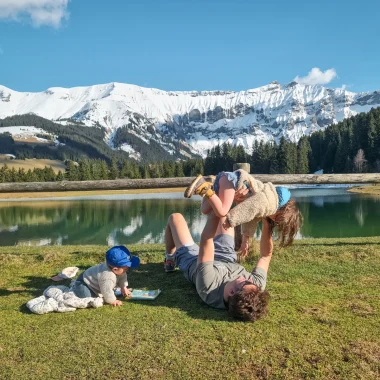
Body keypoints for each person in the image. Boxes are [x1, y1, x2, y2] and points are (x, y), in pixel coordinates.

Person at [164, 205, 273, 322]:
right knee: (225, 213)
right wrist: (267, 222)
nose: (250, 279)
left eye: (246, 282)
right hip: (226, 257)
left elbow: (207, 239)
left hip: (194, 260)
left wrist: (215, 209)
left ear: (231, 292)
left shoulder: (209, 286)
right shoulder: (254, 287)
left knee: (175, 218)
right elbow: (265, 256)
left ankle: (170, 257)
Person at [184, 169, 302, 257]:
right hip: (232, 182)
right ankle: (204, 188)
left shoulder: (268, 202)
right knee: (222, 211)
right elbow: (250, 208)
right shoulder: (268, 203)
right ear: (279, 212)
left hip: (227, 181)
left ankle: (209, 183)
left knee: (205, 209)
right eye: (276, 220)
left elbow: (251, 218)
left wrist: (246, 239)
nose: (273, 221)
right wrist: (231, 220)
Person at [72, 245, 140, 306]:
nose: (127, 269)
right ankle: (75, 288)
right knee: (87, 297)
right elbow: (106, 290)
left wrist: (123, 287)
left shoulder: (117, 270)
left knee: (102, 291)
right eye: (125, 268)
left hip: (90, 279)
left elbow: (123, 277)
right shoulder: (107, 276)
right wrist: (113, 300)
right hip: (84, 284)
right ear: (115, 269)